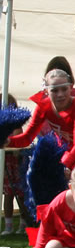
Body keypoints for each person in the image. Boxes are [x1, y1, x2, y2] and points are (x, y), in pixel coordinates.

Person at [3, 68, 75, 180]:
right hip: (64, 151)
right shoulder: (43, 107)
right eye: (54, 90)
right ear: (46, 91)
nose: (60, 94)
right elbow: (28, 138)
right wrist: (7, 141)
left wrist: (63, 166)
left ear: (71, 88)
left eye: (64, 89)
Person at [1, 93, 31, 235]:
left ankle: (23, 224)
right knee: (8, 194)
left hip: (17, 163)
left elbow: (18, 140)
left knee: (21, 194)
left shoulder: (16, 124)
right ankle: (8, 225)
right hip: (6, 162)